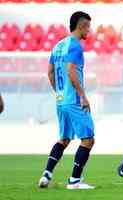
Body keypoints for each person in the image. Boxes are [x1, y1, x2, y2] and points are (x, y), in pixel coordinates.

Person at [38, 11, 95, 189]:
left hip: (61, 100)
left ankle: (46, 176)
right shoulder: (75, 46)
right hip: (74, 100)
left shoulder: (58, 45)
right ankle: (75, 181)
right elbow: (71, 71)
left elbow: (49, 72)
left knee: (64, 139)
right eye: (88, 26)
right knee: (88, 139)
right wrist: (83, 97)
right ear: (81, 25)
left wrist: (59, 92)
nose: (90, 30)